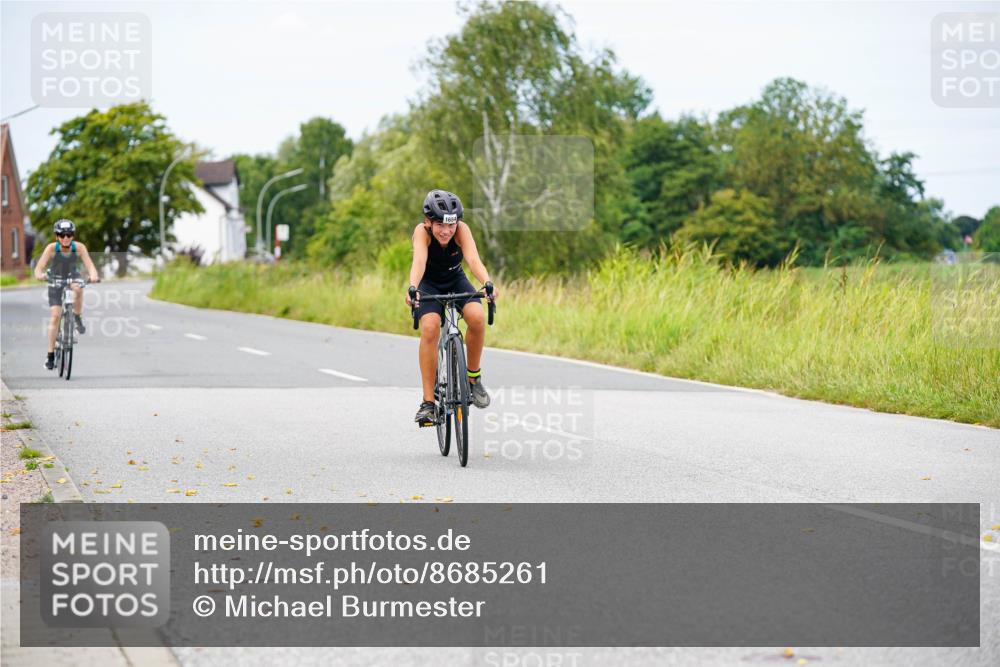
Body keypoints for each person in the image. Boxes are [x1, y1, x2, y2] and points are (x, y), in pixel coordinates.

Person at [406, 190, 497, 425]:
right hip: (429, 284)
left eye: (451, 224)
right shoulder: (421, 233)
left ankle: (473, 379)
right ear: (428, 222)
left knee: (476, 317)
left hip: (455, 279)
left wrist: (487, 283)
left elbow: (474, 260)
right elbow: (419, 262)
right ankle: (428, 403)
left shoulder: (462, 230)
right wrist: (413, 287)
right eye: (439, 225)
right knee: (429, 327)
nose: (446, 231)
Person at [33, 219, 100, 370]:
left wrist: (94, 275)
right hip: (54, 279)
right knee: (55, 316)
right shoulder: (51, 248)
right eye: (62, 235)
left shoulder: (79, 247)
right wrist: (40, 275)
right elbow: (39, 267)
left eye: (69, 234)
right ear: (57, 236)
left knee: (79, 288)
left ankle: (76, 315)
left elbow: (90, 265)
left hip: (71, 276)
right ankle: (50, 356)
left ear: (73, 235)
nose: (65, 238)